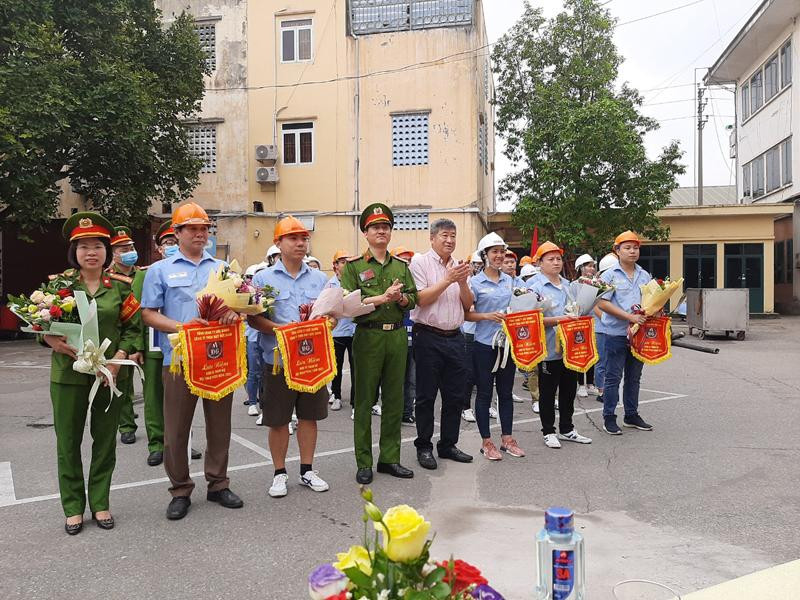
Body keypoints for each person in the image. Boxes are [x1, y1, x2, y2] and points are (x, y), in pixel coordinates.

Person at [141, 202, 244, 520]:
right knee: (175, 431)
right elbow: (148, 314)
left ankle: (218, 484)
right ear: (177, 233)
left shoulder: (222, 268)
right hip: (180, 360)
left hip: (219, 359)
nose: (201, 234)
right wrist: (182, 327)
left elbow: (238, 307)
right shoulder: (160, 270)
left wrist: (233, 314)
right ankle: (180, 489)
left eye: (204, 229)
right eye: (193, 229)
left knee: (219, 426)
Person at [45, 212, 143, 534]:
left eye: (97, 246)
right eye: (83, 246)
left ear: (107, 251)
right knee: (68, 441)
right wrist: (48, 339)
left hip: (109, 376)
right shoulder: (58, 287)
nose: (91, 252)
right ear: (74, 252)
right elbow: (42, 324)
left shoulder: (119, 289)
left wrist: (118, 358)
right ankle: (73, 507)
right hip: (68, 373)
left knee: (104, 441)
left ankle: (100, 502)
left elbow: (133, 329)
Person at [248, 216, 331, 498]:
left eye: (303, 238)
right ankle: (279, 473)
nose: (300, 243)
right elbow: (255, 320)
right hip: (278, 362)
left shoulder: (321, 278)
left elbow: (330, 313)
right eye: (293, 238)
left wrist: (328, 322)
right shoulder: (263, 279)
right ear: (278, 243)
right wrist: (282, 331)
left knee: (310, 417)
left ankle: (307, 470)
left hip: (311, 361)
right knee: (278, 419)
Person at [340, 203, 418, 485]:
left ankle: (389, 458)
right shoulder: (354, 267)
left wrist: (400, 299)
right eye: (375, 227)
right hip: (368, 335)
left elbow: (414, 298)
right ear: (366, 232)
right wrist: (382, 298)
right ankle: (364, 461)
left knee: (395, 399)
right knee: (364, 400)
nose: (381, 231)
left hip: (396, 335)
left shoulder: (401, 266)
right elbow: (349, 302)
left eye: (385, 226)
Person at [131, 221, 202, 467]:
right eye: (167, 243)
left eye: (173, 242)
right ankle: (156, 443)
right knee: (154, 396)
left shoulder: (199, 268)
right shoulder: (145, 273)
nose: (170, 247)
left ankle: (186, 443)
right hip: (154, 343)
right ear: (158, 247)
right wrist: (136, 347)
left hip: (187, 346)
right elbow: (137, 314)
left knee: (183, 398)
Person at [408, 220, 474, 470]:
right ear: (432, 238)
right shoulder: (419, 263)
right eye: (445, 235)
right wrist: (448, 280)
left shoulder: (459, 266)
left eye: (453, 236)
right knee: (425, 396)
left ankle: (448, 444)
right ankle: (424, 446)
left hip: (455, 337)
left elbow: (467, 305)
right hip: (428, 336)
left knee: (455, 396)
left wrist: (463, 282)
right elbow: (421, 299)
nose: (450, 240)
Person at [527, 242, 593, 449]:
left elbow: (577, 309)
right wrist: (561, 320)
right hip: (547, 347)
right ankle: (548, 431)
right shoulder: (533, 287)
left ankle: (567, 428)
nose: (556, 262)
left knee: (568, 389)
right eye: (551, 259)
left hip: (570, 346)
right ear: (540, 263)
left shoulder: (567, 284)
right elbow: (529, 320)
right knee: (548, 391)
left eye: (558, 259)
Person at [466, 232, 525, 461]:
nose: (499, 256)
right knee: (484, 393)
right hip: (484, 346)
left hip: (507, 345)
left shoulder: (511, 281)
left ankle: (507, 439)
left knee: (506, 393)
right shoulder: (474, 282)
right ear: (485, 255)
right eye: (495, 252)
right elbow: (466, 314)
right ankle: (486, 442)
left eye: (502, 252)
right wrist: (486, 316)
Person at [597, 231, 652, 435]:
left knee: (634, 377)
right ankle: (609, 417)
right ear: (617, 250)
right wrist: (629, 318)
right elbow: (602, 303)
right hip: (615, 334)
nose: (632, 251)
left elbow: (649, 301)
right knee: (613, 377)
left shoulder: (644, 275)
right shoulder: (608, 275)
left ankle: (631, 414)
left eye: (635, 248)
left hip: (638, 334)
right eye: (627, 248)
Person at [106, 225, 143, 445]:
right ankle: (127, 425)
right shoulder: (109, 278)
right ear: (113, 254)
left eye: (130, 246)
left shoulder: (143, 274)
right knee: (124, 385)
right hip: (122, 338)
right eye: (122, 248)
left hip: (145, 336)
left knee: (153, 388)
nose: (128, 250)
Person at [391, 246, 417, 426]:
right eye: (402, 259)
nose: (406, 263)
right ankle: (393, 412)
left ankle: (407, 412)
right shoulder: (388, 285)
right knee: (394, 380)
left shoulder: (415, 283)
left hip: (414, 339)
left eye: (409, 260)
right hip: (395, 339)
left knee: (411, 380)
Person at [327, 250, 356, 414]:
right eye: (343, 261)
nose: (346, 264)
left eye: (348, 261)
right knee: (336, 367)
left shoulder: (355, 281)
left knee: (356, 368)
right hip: (337, 332)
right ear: (335, 266)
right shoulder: (330, 285)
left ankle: (354, 402)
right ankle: (336, 396)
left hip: (354, 330)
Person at [593, 252, 619, 404]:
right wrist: (606, 319)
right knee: (602, 360)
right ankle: (601, 390)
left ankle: (611, 388)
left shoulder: (615, 281)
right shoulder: (600, 284)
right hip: (602, 328)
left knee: (613, 362)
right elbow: (596, 305)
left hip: (615, 328)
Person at [573, 254, 600, 398]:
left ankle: (590, 383)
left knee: (592, 353)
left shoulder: (597, 284)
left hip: (593, 322)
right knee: (580, 353)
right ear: (580, 268)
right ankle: (581, 385)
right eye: (588, 265)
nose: (591, 268)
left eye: (593, 266)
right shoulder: (574, 285)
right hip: (579, 323)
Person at [244, 262, 268, 417]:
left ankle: (265, 405)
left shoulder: (271, 295)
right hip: (252, 337)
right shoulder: (246, 295)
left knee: (267, 374)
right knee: (254, 372)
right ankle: (252, 402)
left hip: (266, 338)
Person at [461, 250, 482, 423]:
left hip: (487, 334)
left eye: (479, 264)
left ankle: (486, 405)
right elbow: (467, 307)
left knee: (484, 373)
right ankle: (465, 406)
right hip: (469, 331)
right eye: (474, 264)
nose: (476, 267)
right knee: (468, 372)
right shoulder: (471, 282)